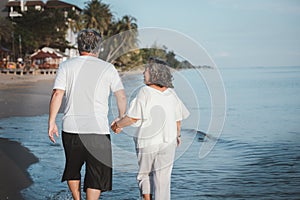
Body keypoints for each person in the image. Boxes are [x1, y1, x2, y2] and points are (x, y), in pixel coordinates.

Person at [48, 29, 126, 200]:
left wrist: (52, 122)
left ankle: (77, 199)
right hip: (98, 129)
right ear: (98, 47)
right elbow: (120, 95)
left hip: (71, 128)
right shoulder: (108, 68)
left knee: (72, 167)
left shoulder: (66, 66)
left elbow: (57, 94)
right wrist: (120, 119)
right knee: (96, 173)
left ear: (78, 47)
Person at [111, 58, 190, 200]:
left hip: (147, 142)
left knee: (144, 175)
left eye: (146, 69)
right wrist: (177, 136)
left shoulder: (145, 92)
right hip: (168, 141)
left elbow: (133, 118)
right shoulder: (171, 93)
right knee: (163, 180)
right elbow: (178, 119)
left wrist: (117, 125)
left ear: (154, 73)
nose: (143, 72)